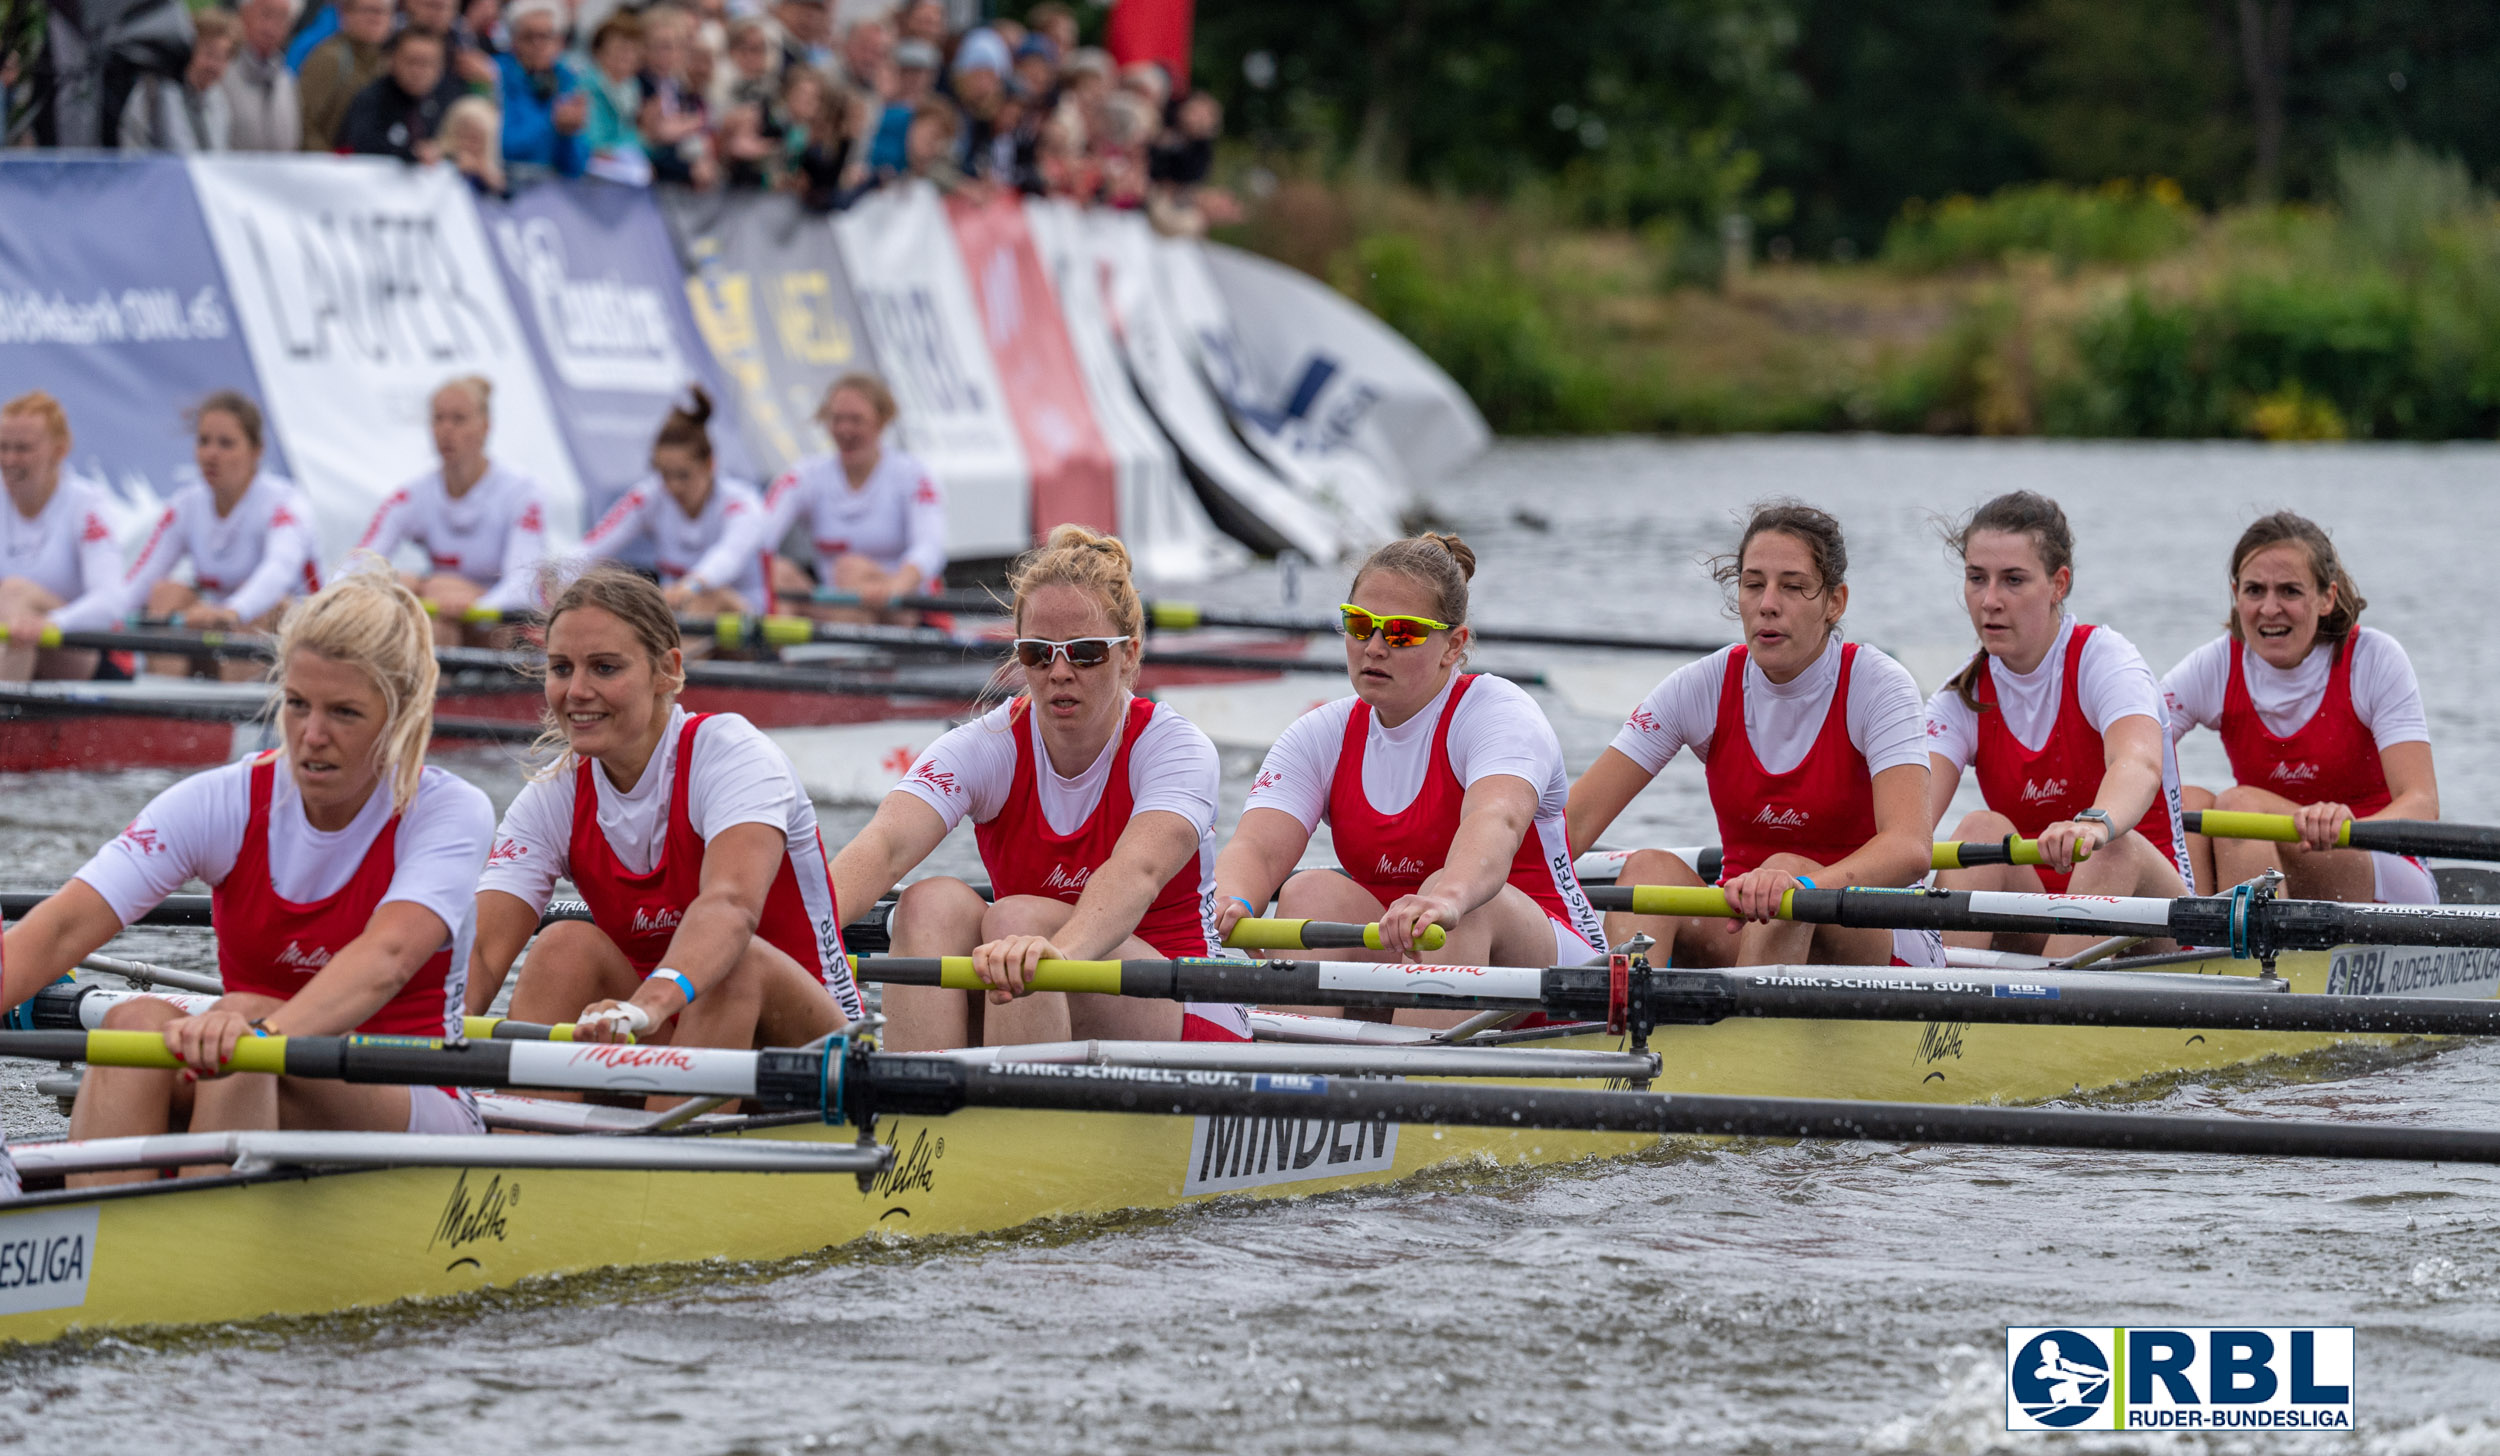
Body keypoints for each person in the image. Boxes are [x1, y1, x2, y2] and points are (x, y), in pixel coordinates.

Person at [0, 568, 495, 1185]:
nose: (312, 736)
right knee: (133, 1025)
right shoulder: (222, 801)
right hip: (249, 1068)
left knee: (239, 1026)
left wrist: (258, 1031)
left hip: (412, 1105)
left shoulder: (448, 811)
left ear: (401, 715)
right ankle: (96, 1237)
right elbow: (58, 931)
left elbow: (387, 958)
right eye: (297, 704)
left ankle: (198, 1244)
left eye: (344, 712)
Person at [832, 527, 1248, 1051]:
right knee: (926, 904)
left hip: (1187, 1003)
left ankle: (1013, 1119)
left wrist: (1059, 959)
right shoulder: (987, 745)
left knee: (1017, 917)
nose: (1059, 672)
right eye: (1037, 654)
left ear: (1129, 654)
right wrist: (795, 935)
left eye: (1086, 653)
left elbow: (1135, 874)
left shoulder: (1174, 749)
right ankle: (919, 1117)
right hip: (1030, 992)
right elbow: (886, 846)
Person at [1212, 534, 1609, 1026]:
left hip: (1557, 967)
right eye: (1359, 625)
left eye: (1401, 632)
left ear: (1454, 645)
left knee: (1455, 906)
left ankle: (1409, 1089)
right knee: (1308, 892)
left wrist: (1447, 898)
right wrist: (1229, 901)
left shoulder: (1497, 713)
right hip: (1409, 958)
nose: (1374, 647)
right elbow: (1257, 848)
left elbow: (1497, 820)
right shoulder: (1322, 732)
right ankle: (1295, 1082)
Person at [467, 566, 856, 1056]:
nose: (577, 691)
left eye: (605, 668)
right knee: (563, 946)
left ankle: (647, 1113)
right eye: (562, 668)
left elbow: (729, 908)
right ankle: (521, 1125)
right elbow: (480, 955)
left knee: (730, 963)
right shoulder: (552, 797)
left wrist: (647, 1004)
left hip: (813, 1046)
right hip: (668, 1035)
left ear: (668, 670)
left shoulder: (732, 755)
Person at [1565, 501, 1937, 967]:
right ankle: (1624, 1027)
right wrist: (1465, 882)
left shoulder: (1880, 686)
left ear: (1835, 602)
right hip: (1746, 926)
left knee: (1788, 880)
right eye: (1754, 584)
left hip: (1878, 935)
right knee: (1648, 869)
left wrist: (1800, 885)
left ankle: (1740, 1033)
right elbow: (1571, 827)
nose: (1767, 604)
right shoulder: (1700, 686)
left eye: (1794, 587)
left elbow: (1910, 848)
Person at [1924, 492, 2192, 954]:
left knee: (2111, 847)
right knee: (1980, 829)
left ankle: (2036, 1013)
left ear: (2058, 584)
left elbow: (2138, 763)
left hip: (2152, 921)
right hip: (2043, 923)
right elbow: (1906, 826)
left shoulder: (2104, 660)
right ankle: (1942, 1012)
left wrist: (2094, 825)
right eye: (1976, 579)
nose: (1989, 601)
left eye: (2013, 580)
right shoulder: (1960, 697)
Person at [2166, 511, 2438, 904]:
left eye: (2290, 591)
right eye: (2255, 590)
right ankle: (2193, 950)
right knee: (2185, 801)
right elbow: (2133, 750)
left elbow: (2423, 804)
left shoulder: (2373, 659)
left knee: (2239, 806)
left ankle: (2251, 952)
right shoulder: (2215, 665)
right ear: (2235, 592)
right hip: (2272, 853)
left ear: (2326, 597)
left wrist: (2349, 826)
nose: (2270, 609)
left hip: (2381, 864)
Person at [126, 391, 323, 680]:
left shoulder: (285, 503)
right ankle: (166, 706)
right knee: (166, 594)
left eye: (226, 444)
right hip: (223, 631)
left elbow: (278, 570)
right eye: (203, 441)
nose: (211, 455)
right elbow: (138, 581)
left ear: (256, 451)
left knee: (257, 609)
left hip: (298, 635)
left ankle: (239, 719)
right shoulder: (186, 504)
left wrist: (233, 611)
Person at [357, 378, 548, 647]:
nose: (446, 430)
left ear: (485, 427)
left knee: (437, 590)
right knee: (403, 583)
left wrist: (476, 606)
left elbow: (523, 585)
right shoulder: (413, 493)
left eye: (459, 419)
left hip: (503, 622)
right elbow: (361, 561)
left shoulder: (522, 491)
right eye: (438, 419)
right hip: (445, 612)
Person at [763, 374, 943, 621]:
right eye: (837, 420)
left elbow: (929, 548)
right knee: (773, 570)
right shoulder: (807, 474)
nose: (845, 430)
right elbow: (762, 533)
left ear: (880, 422)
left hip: (898, 604)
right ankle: (775, 653)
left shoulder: (912, 474)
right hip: (834, 604)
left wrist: (894, 586)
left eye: (856, 420)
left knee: (850, 569)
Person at [579, 387, 771, 614]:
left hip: (746, 621)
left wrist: (690, 586)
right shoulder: (650, 495)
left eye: (683, 475)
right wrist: (555, 576)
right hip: (677, 616)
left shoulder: (742, 502)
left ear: (710, 464)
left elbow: (728, 557)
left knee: (707, 596)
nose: (673, 486)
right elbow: (593, 547)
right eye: (664, 474)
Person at [0, 392, 123, 683]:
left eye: (23, 448)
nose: (9, 459)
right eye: (3, 447)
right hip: (16, 643)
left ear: (59, 450)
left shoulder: (86, 505)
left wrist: (49, 623)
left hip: (80, 653)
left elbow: (111, 601)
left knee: (17, 594)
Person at [118, 8, 236, 153]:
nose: (214, 65)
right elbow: (132, 143)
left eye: (222, 58)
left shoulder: (220, 102)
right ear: (190, 50)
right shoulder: (154, 88)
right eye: (209, 54)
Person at [496, 0, 588, 180]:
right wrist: (552, 125)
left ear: (560, 41)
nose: (538, 44)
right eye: (529, 36)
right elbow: (501, 148)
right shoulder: (494, 74)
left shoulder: (568, 79)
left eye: (546, 36)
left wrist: (569, 134)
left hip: (549, 193)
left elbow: (576, 168)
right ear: (513, 40)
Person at [338, 28, 451, 163]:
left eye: (427, 63)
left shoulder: (446, 100)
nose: (418, 71)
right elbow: (361, 145)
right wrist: (412, 154)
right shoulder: (372, 99)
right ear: (393, 60)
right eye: (411, 61)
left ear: (441, 67)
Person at [298, 0, 394, 152]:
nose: (377, 18)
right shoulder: (330, 58)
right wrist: (332, 162)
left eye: (383, 11)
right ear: (345, 15)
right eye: (369, 11)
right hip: (329, 168)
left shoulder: (388, 63)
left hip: (370, 167)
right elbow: (303, 122)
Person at [581, 11, 652, 185]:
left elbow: (629, 136)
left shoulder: (632, 87)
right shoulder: (585, 86)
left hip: (621, 166)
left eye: (633, 50)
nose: (627, 56)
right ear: (599, 52)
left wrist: (649, 140)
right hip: (591, 170)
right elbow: (589, 138)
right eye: (621, 48)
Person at [220, 0, 301, 152]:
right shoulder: (221, 72)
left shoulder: (286, 78)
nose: (273, 25)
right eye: (266, 14)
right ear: (243, 14)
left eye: (282, 17)